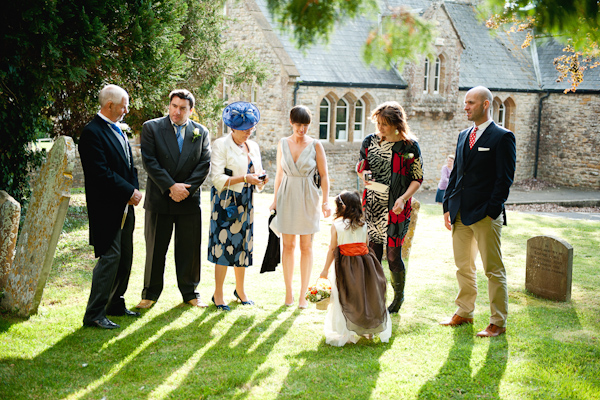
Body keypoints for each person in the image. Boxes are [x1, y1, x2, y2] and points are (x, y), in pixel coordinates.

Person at [440, 86, 516, 337]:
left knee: (492, 270)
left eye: (471, 102)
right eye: (465, 102)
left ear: (485, 105)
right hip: (460, 212)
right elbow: (456, 175)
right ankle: (464, 312)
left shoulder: (502, 137)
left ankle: (498, 321)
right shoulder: (463, 135)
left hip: (485, 214)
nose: (466, 107)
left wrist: (491, 210)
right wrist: (447, 206)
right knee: (463, 266)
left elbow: (504, 180)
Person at [136, 89, 211, 309]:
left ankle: (190, 292)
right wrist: (171, 186)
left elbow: (204, 164)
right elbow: (149, 161)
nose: (177, 112)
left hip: (188, 199)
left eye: (182, 108)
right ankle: (149, 293)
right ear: (169, 105)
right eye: (174, 106)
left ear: (191, 110)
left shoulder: (201, 132)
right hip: (160, 198)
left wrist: (185, 190)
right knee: (155, 249)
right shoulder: (152, 128)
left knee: (189, 249)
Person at [79, 84, 143, 329]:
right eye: (124, 105)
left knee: (125, 256)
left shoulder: (118, 129)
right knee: (110, 257)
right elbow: (100, 174)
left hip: (126, 205)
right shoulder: (92, 132)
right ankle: (94, 314)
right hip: (106, 208)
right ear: (109, 106)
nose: (127, 109)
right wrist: (128, 192)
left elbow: (129, 166)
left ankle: (114, 303)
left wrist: (134, 191)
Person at [356, 101, 424, 314]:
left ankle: (398, 296)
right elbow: (362, 168)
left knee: (394, 256)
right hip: (374, 204)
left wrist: (403, 198)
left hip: (397, 208)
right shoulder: (370, 142)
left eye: (385, 124)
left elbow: (417, 178)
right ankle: (376, 295)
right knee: (374, 253)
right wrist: (364, 176)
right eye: (378, 123)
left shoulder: (409, 147)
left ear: (397, 124)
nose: (380, 128)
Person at [270, 105, 332, 309]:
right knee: (288, 246)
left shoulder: (316, 145)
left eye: (305, 126)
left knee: (306, 246)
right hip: (287, 194)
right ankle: (288, 293)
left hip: (308, 196)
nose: (302, 130)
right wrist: (275, 199)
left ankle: (303, 295)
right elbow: (279, 173)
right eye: (298, 125)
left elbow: (324, 175)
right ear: (291, 123)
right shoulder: (282, 143)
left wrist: (325, 201)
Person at [208, 102, 269, 311]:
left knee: (243, 247)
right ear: (232, 128)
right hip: (225, 202)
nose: (248, 132)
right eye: (244, 129)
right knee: (223, 248)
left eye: (251, 128)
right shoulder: (220, 145)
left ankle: (240, 291)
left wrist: (261, 180)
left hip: (246, 202)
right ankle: (218, 294)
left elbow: (257, 174)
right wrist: (244, 178)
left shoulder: (254, 146)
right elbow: (216, 178)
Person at [319, 191, 391, 346]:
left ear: (341, 207)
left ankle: (346, 330)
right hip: (365, 265)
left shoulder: (337, 225)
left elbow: (333, 248)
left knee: (344, 295)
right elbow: (365, 244)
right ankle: (367, 330)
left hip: (345, 265)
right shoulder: (363, 224)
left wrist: (325, 270)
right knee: (363, 296)